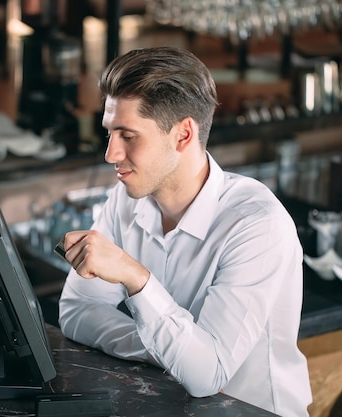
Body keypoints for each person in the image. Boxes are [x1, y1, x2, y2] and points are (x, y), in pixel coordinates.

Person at [57, 46, 312, 416]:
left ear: (183, 134)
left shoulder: (257, 225)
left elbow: (207, 374)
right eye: (110, 133)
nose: (111, 154)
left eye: (128, 136)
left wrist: (135, 278)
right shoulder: (126, 197)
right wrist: (165, 349)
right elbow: (78, 311)